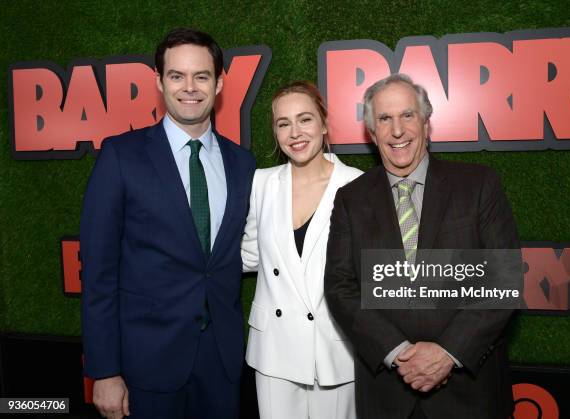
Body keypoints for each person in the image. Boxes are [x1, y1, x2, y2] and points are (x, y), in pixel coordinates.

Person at [80, 28, 255, 419]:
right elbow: (98, 273)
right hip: (148, 364)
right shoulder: (121, 157)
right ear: (159, 82)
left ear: (220, 82)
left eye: (202, 76)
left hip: (223, 365)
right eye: (177, 76)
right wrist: (105, 371)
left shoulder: (243, 164)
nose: (189, 87)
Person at [324, 73, 520, 419]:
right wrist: (397, 351)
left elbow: (504, 280)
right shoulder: (350, 200)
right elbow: (340, 287)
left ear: (426, 123)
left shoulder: (478, 185)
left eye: (408, 115)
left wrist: (447, 353)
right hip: (388, 394)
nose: (397, 130)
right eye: (384, 119)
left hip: (469, 395)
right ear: (372, 132)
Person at [241, 81, 362, 419]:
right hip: (273, 350)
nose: (295, 132)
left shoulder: (357, 184)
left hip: (334, 350)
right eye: (283, 123)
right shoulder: (261, 183)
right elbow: (250, 254)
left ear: (324, 124)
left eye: (305, 119)